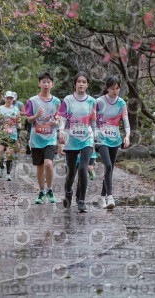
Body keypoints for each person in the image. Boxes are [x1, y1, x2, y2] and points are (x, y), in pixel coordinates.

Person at [57, 71, 96, 213]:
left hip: (87, 137)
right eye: (79, 81)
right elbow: (62, 117)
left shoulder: (92, 101)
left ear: (87, 85)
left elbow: (93, 120)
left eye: (84, 82)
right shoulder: (68, 100)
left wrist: (95, 138)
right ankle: (68, 192)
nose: (81, 84)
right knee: (71, 172)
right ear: (74, 84)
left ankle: (81, 200)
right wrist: (61, 130)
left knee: (83, 169)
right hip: (71, 138)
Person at [95, 76, 130, 209]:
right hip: (101, 138)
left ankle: (102, 197)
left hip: (115, 139)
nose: (115, 91)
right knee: (108, 165)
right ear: (107, 88)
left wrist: (127, 136)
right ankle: (110, 197)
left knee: (110, 169)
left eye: (117, 88)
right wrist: (93, 135)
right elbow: (92, 119)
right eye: (112, 88)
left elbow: (126, 121)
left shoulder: (121, 103)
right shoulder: (99, 102)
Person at [25, 72, 60, 204]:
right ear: (39, 84)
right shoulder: (32, 101)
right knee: (39, 166)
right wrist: (36, 116)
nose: (46, 84)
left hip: (50, 137)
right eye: (43, 82)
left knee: (48, 163)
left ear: (52, 85)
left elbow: (59, 118)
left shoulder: (56, 101)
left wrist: (56, 122)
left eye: (48, 82)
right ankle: (41, 191)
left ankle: (49, 189)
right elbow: (28, 119)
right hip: (36, 139)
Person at [0, 91, 20, 181]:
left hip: (12, 135)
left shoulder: (16, 109)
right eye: (8, 98)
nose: (9, 100)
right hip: (1, 135)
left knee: (9, 155)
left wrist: (19, 125)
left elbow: (19, 122)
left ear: (13, 99)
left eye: (11, 98)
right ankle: (1, 167)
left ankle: (8, 174)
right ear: (4, 98)